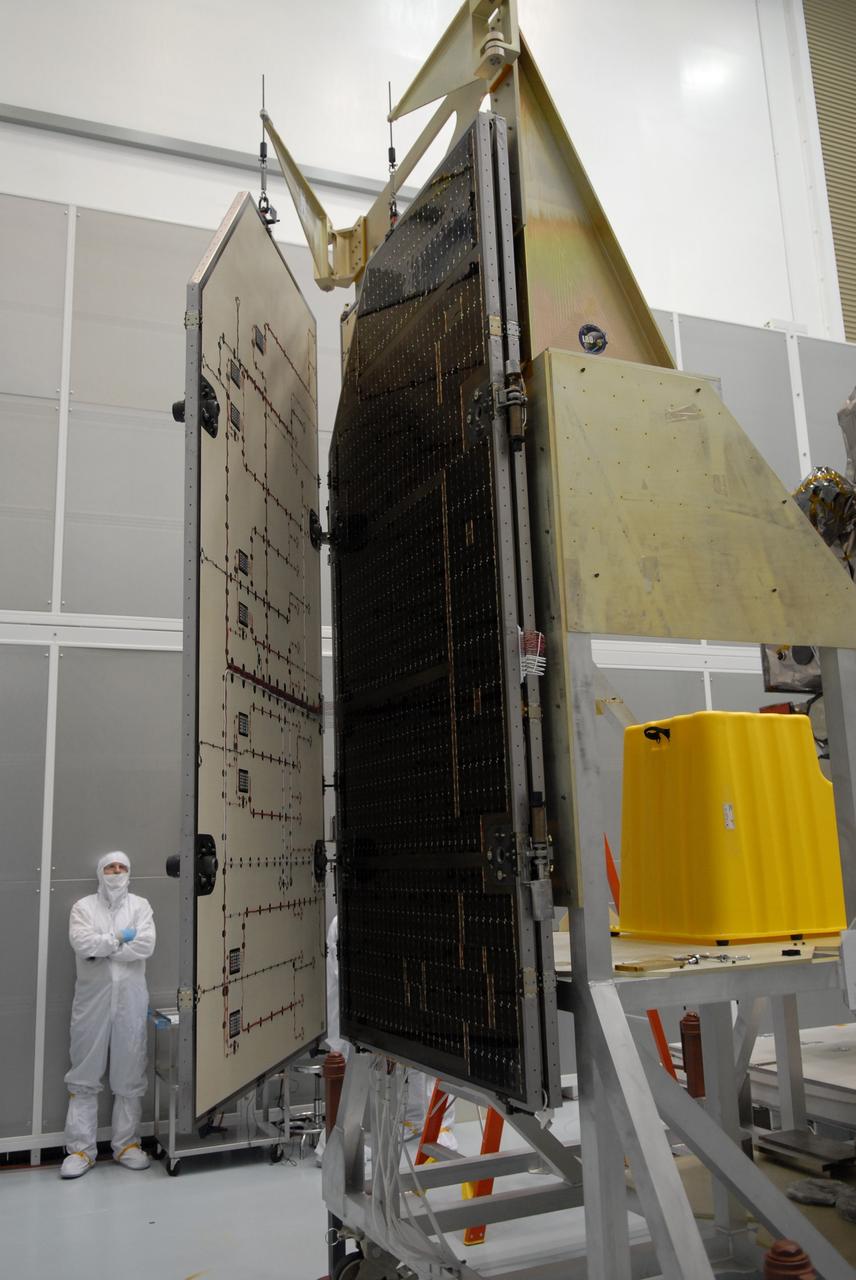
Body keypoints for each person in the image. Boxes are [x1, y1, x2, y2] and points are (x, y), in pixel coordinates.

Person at [60, 851, 156, 1178]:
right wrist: (117, 938)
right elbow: (82, 944)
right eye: (110, 867)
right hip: (91, 1002)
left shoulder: (140, 906)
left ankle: (126, 1145)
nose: (116, 872)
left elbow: (146, 945)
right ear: (100, 872)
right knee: (84, 1072)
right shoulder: (83, 908)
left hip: (130, 1000)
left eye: (122, 867)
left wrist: (103, 948)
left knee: (129, 1071)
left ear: (129, 871)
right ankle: (80, 1150)